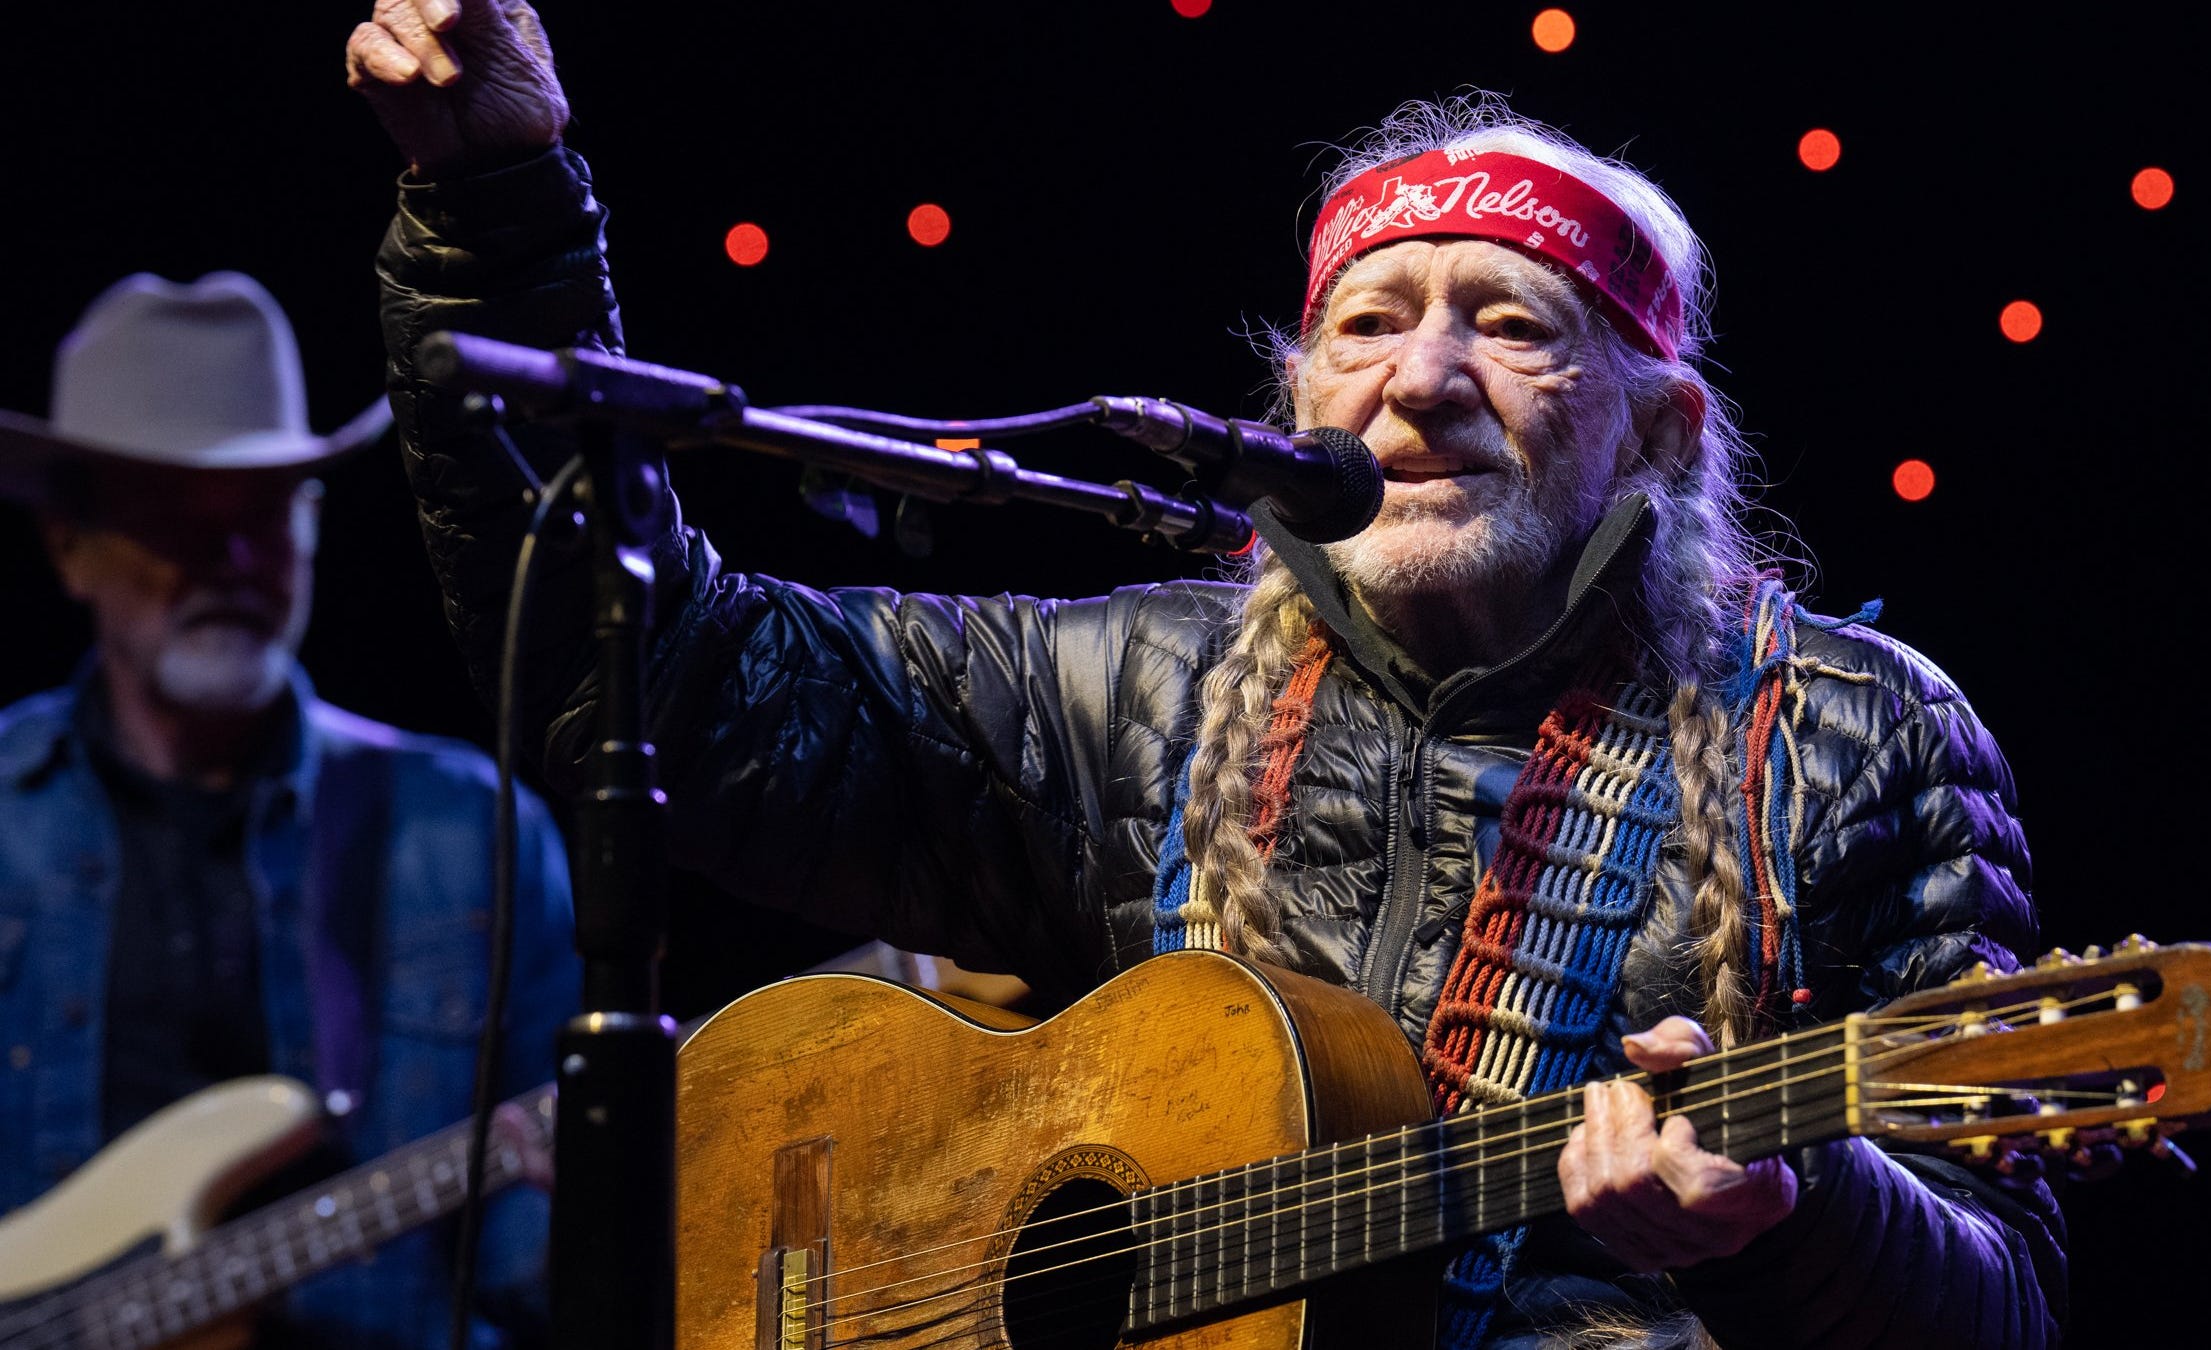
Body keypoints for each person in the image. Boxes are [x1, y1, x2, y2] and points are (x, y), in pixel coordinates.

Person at [348, 3, 2065, 1346]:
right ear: (1292, 401)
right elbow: (668, 686)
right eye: (1368, 321)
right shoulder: (1122, 696)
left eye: (1512, 323)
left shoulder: (1848, 732)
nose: (1423, 379)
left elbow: (1997, 1298)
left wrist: (1790, 1219)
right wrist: (495, 209)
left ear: (1658, 432)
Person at [0, 269, 580, 1350]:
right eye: (173, 520)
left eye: (261, 513)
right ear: (68, 546)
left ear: (312, 531)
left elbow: (529, 1274)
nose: (225, 563)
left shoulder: (469, 829)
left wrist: (598, 1202)